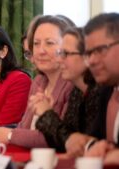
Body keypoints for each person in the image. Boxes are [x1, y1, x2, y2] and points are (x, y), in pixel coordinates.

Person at [0, 15, 74, 148]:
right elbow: (24, 127)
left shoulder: (72, 84)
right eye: (36, 43)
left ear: (69, 47)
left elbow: (63, 139)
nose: (40, 51)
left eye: (49, 43)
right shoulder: (39, 81)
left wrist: (9, 135)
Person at [30, 27, 107, 153]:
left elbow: (84, 145)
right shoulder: (77, 92)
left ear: (87, 56)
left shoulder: (100, 92)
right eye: (60, 53)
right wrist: (49, 112)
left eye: (66, 54)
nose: (59, 59)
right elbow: (67, 142)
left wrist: (47, 115)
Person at [65, 13, 119, 163]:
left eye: (101, 50)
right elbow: (94, 141)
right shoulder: (106, 91)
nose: (92, 61)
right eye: (89, 53)